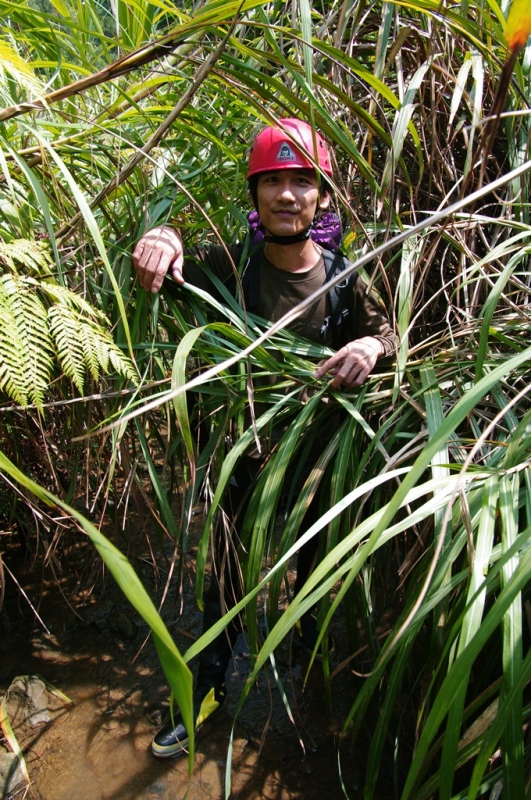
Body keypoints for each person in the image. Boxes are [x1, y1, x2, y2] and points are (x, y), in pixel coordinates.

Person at [132, 117, 397, 758]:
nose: (286, 195)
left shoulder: (349, 280)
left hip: (316, 477)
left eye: (301, 182)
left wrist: (370, 343)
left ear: (323, 197)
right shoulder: (229, 267)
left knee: (313, 589)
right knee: (219, 583)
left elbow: (392, 337)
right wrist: (162, 237)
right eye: (271, 181)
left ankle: (311, 700)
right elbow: (162, 269)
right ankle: (209, 688)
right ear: (254, 197)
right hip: (240, 469)